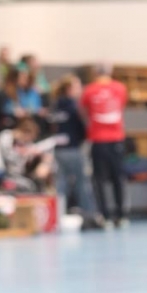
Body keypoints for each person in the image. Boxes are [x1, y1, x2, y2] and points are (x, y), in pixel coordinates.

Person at [81, 62, 129, 227]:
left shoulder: (89, 90)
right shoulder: (120, 88)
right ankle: (121, 215)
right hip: (116, 139)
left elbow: (84, 112)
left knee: (99, 180)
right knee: (118, 178)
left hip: (98, 140)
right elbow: (121, 107)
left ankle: (105, 216)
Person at [50, 75, 99, 225]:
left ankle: (57, 215)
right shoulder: (74, 107)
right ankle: (90, 215)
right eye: (77, 86)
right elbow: (81, 128)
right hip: (73, 149)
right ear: (69, 89)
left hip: (59, 150)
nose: (80, 89)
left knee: (61, 183)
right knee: (82, 183)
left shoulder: (55, 106)